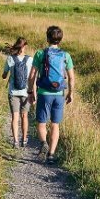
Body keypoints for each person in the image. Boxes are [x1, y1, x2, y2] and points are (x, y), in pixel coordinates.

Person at [28, 25, 75, 164]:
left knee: (41, 123)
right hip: (59, 93)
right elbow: (71, 78)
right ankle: (51, 155)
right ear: (60, 39)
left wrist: (31, 91)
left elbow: (32, 76)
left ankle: (43, 143)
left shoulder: (40, 54)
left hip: (43, 93)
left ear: (47, 38)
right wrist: (70, 93)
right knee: (55, 124)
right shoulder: (66, 56)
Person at [2, 37, 32, 148]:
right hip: (26, 92)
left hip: (13, 92)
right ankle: (24, 140)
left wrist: (7, 75)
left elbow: (4, 75)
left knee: (15, 117)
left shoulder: (10, 59)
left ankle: (15, 141)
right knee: (25, 116)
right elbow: (31, 77)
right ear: (24, 47)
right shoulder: (30, 60)